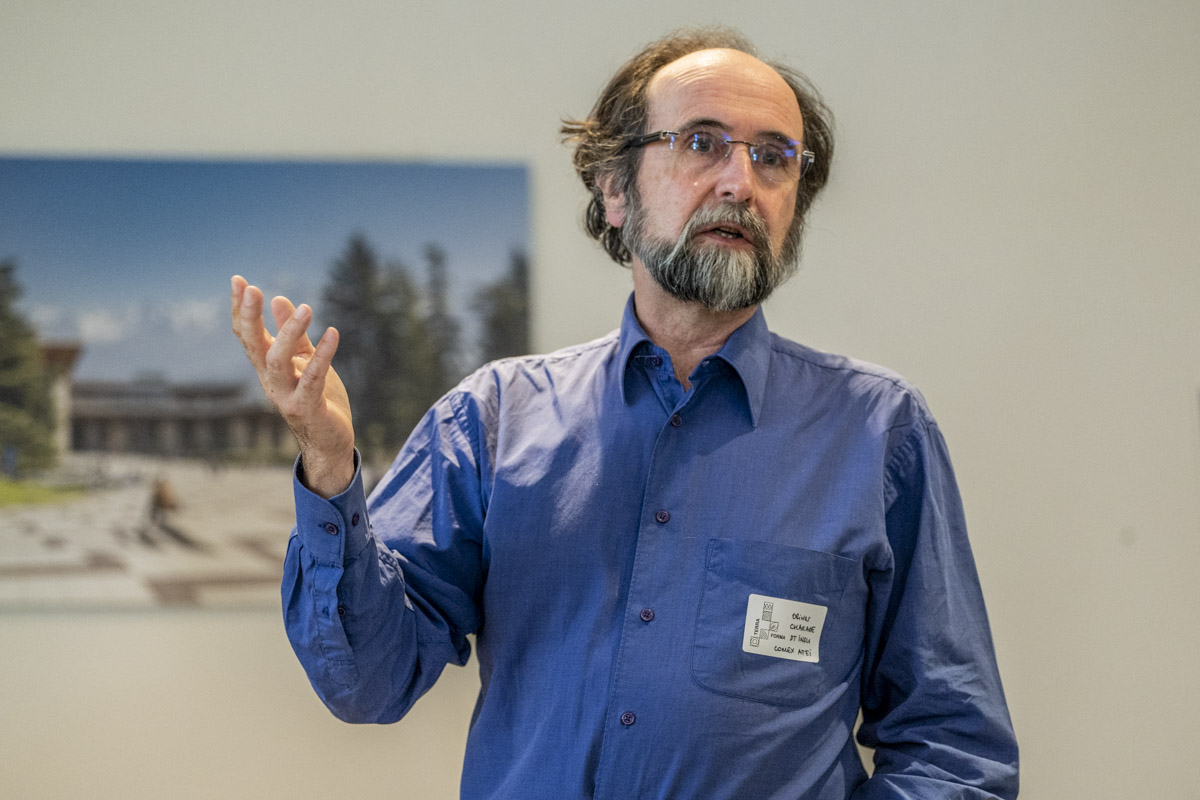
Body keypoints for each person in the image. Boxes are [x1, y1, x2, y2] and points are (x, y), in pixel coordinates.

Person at [231, 26, 1018, 800]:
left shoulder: (878, 434)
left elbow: (953, 749)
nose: (741, 183)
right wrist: (330, 468)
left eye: (774, 157)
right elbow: (366, 681)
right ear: (614, 191)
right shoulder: (493, 422)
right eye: (703, 143)